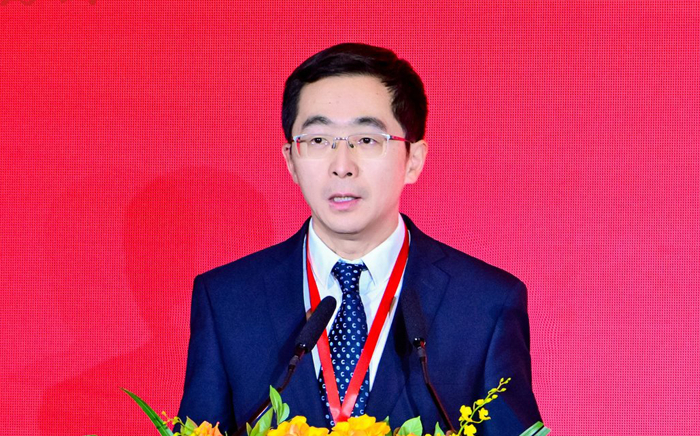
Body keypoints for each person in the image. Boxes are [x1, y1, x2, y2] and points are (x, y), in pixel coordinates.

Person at [178, 43, 541, 435]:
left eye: (366, 140)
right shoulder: (228, 299)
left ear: (413, 159)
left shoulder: (485, 304)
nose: (342, 166)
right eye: (318, 140)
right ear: (291, 161)